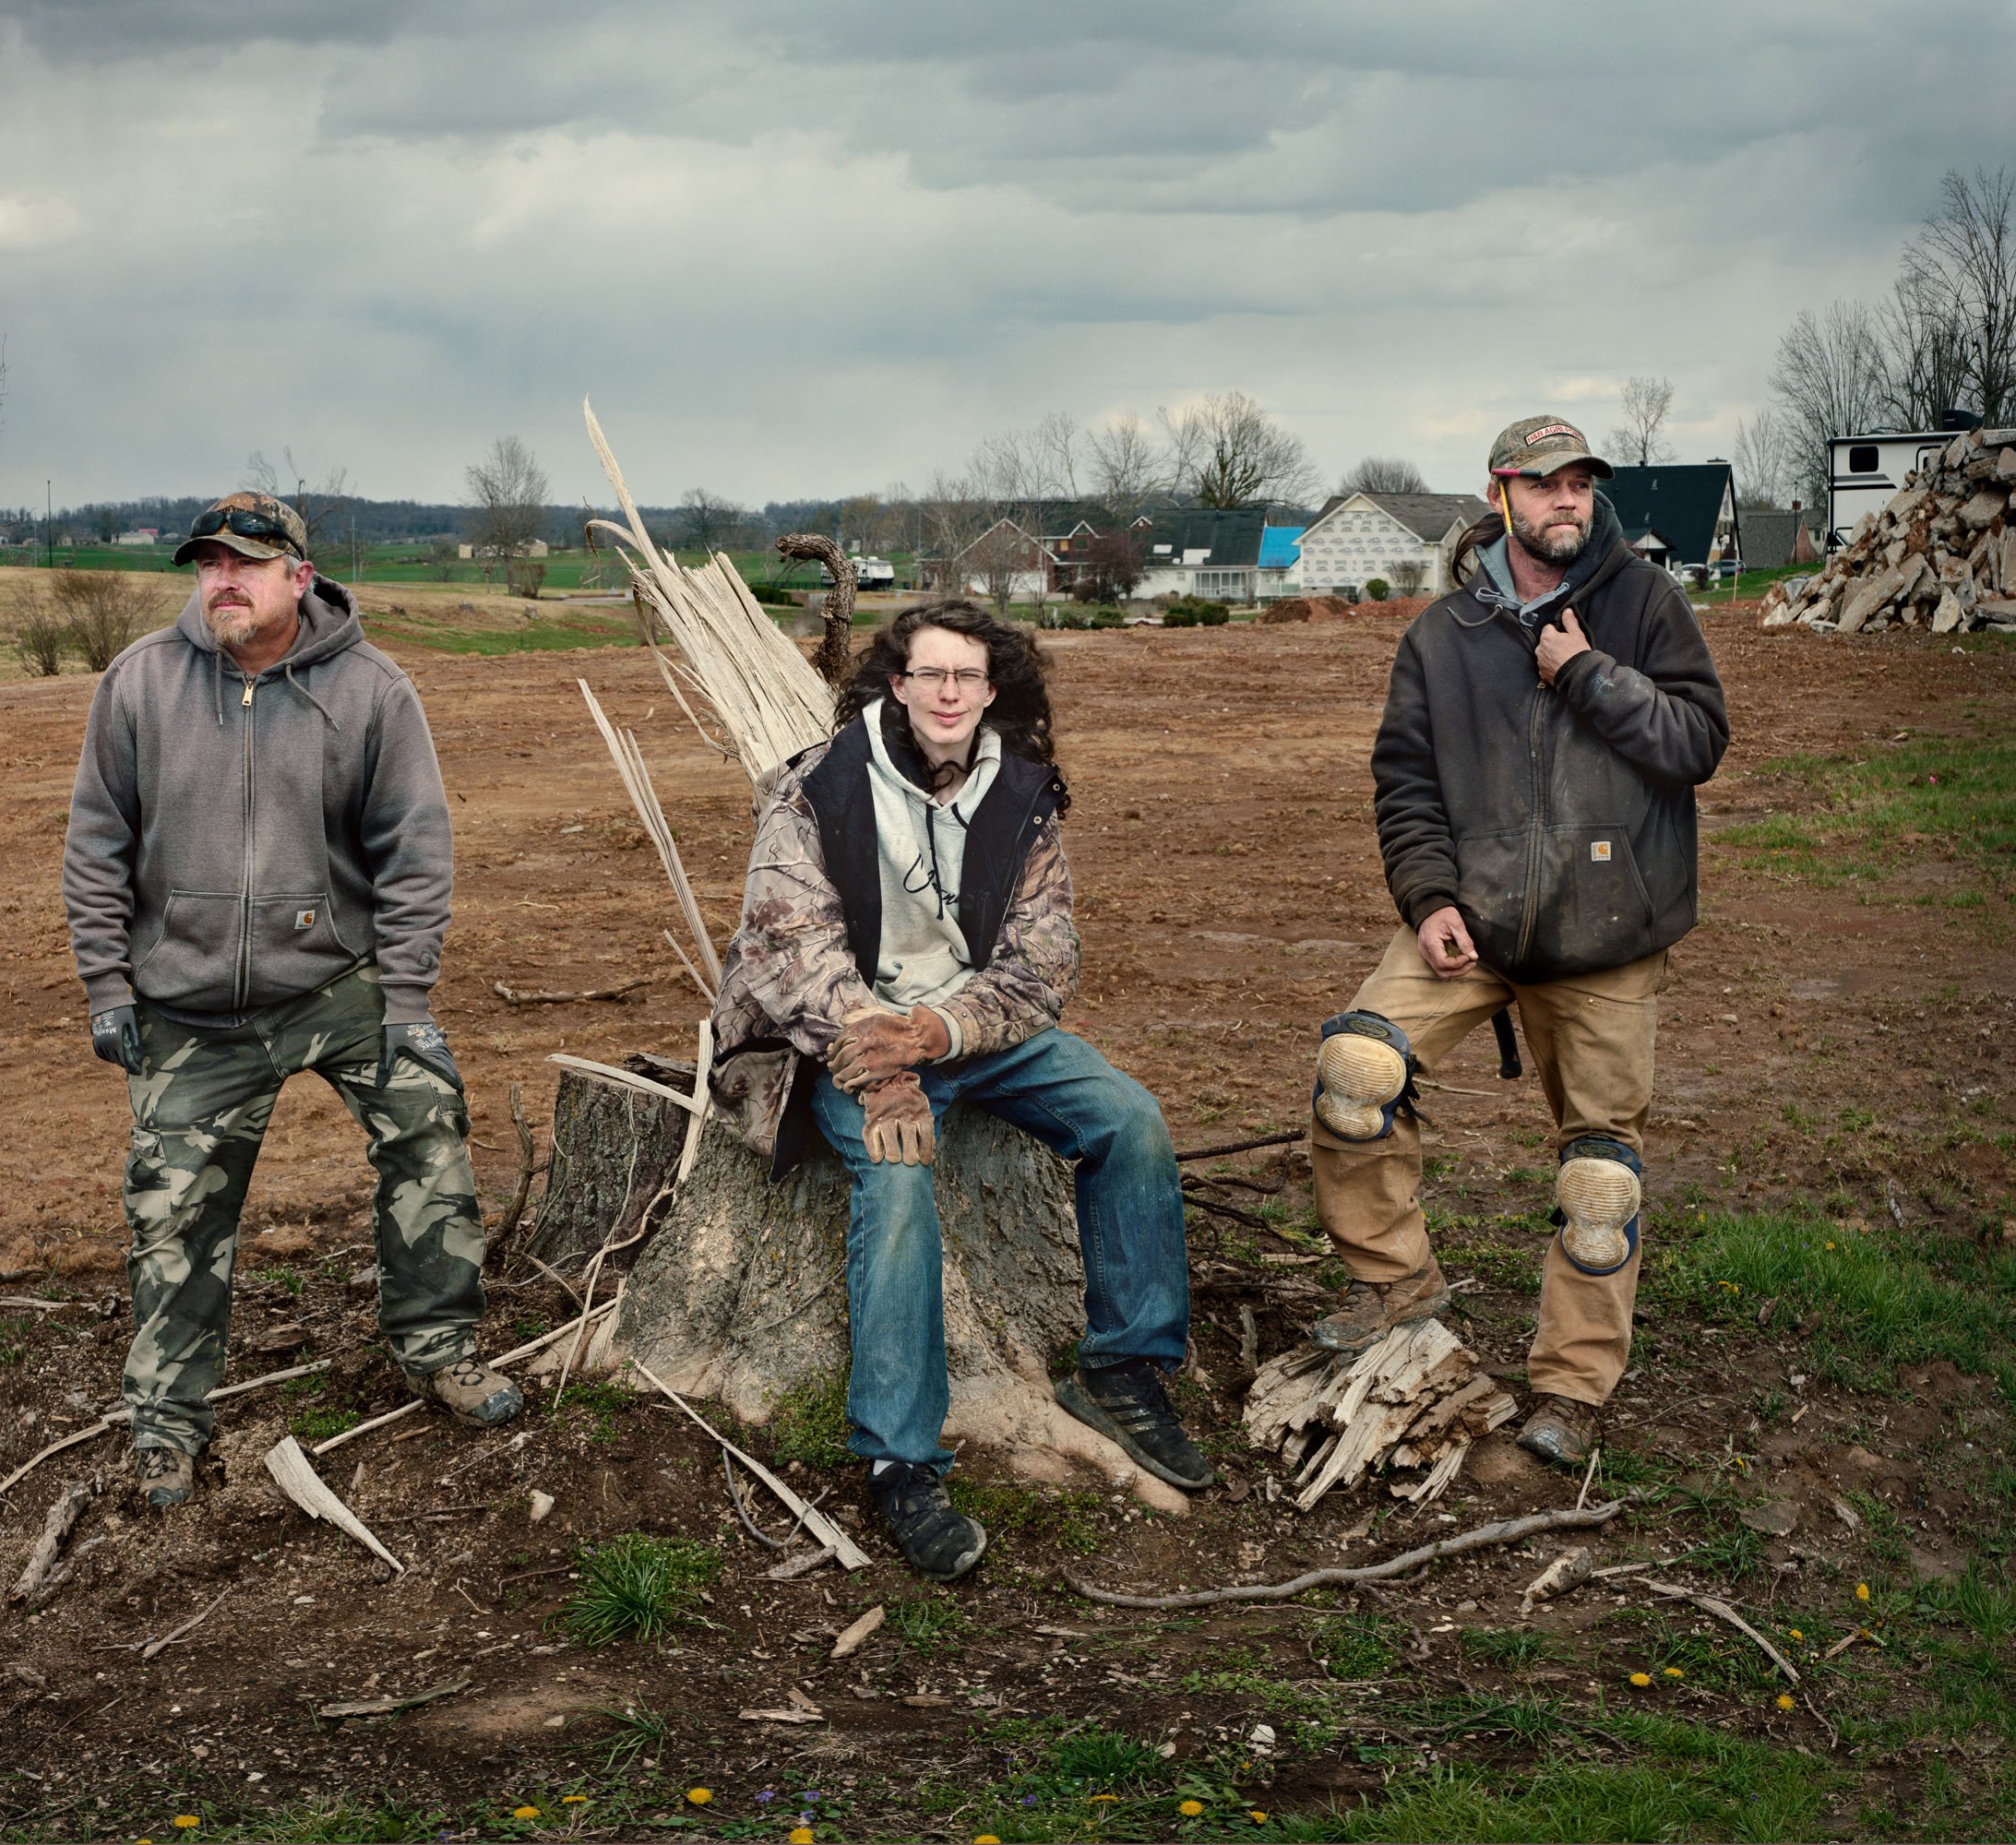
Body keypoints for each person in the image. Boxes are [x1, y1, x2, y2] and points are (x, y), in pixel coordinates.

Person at [709, 599, 1211, 1580]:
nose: (948, 693)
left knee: (1129, 1119)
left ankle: (1121, 1364)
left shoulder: (1021, 794)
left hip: (962, 1029)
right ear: (896, 684)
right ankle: (900, 1456)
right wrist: (881, 1053)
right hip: (846, 1037)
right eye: (929, 674)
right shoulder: (818, 788)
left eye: (967, 677)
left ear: (991, 690)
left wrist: (945, 1028)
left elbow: (1046, 953)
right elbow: (787, 946)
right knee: (897, 1187)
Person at [63, 491, 520, 1509]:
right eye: (209, 562)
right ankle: (167, 1425)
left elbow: (416, 850)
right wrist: (106, 980)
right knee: (172, 1207)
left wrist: (405, 998)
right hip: (188, 1006)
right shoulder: (139, 683)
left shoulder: (369, 690)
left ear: (298, 578)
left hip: (336, 981)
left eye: (248, 563)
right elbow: (94, 844)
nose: (224, 578)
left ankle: (436, 1345)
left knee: (427, 1118)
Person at [1305, 416, 1730, 1467]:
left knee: (1600, 1183)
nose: (1567, 502)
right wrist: (1429, 896)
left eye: (1580, 484)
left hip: (1609, 936)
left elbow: (1698, 743)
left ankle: (1571, 1389)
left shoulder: (1643, 603)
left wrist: (1588, 673)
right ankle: (1391, 1276)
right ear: (1500, 492)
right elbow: (1404, 782)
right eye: (1545, 485)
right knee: (1354, 1066)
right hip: (1476, 925)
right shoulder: (1441, 636)